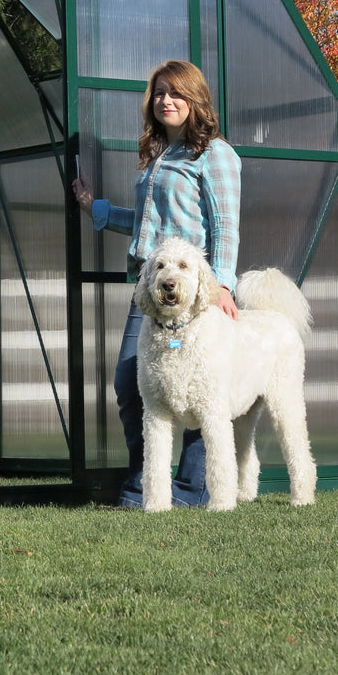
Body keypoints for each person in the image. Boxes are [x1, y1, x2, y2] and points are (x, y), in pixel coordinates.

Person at [71, 60, 241, 508]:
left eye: (177, 93)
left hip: (197, 296)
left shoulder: (214, 154)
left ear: (195, 99)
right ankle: (150, 486)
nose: (166, 100)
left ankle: (190, 489)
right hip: (152, 290)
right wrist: (96, 209)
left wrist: (222, 285)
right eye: (160, 93)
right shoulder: (159, 154)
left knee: (205, 392)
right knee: (132, 383)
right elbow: (151, 225)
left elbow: (225, 225)